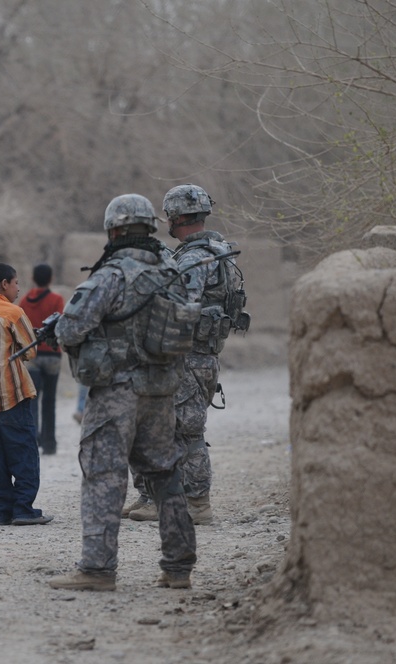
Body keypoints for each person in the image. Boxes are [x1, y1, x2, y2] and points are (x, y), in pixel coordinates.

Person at [49, 193, 196, 591]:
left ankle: (97, 570)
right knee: (165, 473)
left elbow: (70, 330)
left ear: (113, 231)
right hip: (161, 390)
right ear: (149, 229)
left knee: (104, 475)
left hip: (117, 392)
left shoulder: (111, 275)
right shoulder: (171, 272)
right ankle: (179, 567)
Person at [124, 185, 248, 525]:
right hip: (200, 355)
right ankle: (154, 496)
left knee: (183, 432)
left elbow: (179, 308)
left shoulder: (194, 258)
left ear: (177, 217)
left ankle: (195, 504)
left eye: (169, 216)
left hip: (186, 356)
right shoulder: (216, 251)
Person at [0, 263, 52, 526]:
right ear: (4, 284)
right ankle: (24, 509)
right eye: (16, 283)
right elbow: (30, 351)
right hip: (12, 395)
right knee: (24, 453)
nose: (18, 288)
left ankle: (0, 511)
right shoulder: (13, 312)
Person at [18, 264, 65, 454]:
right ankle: (49, 443)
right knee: (49, 400)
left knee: (32, 399)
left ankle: (33, 439)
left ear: (32, 278)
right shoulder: (57, 299)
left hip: (33, 355)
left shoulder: (24, 300)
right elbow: (61, 325)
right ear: (51, 279)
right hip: (52, 355)